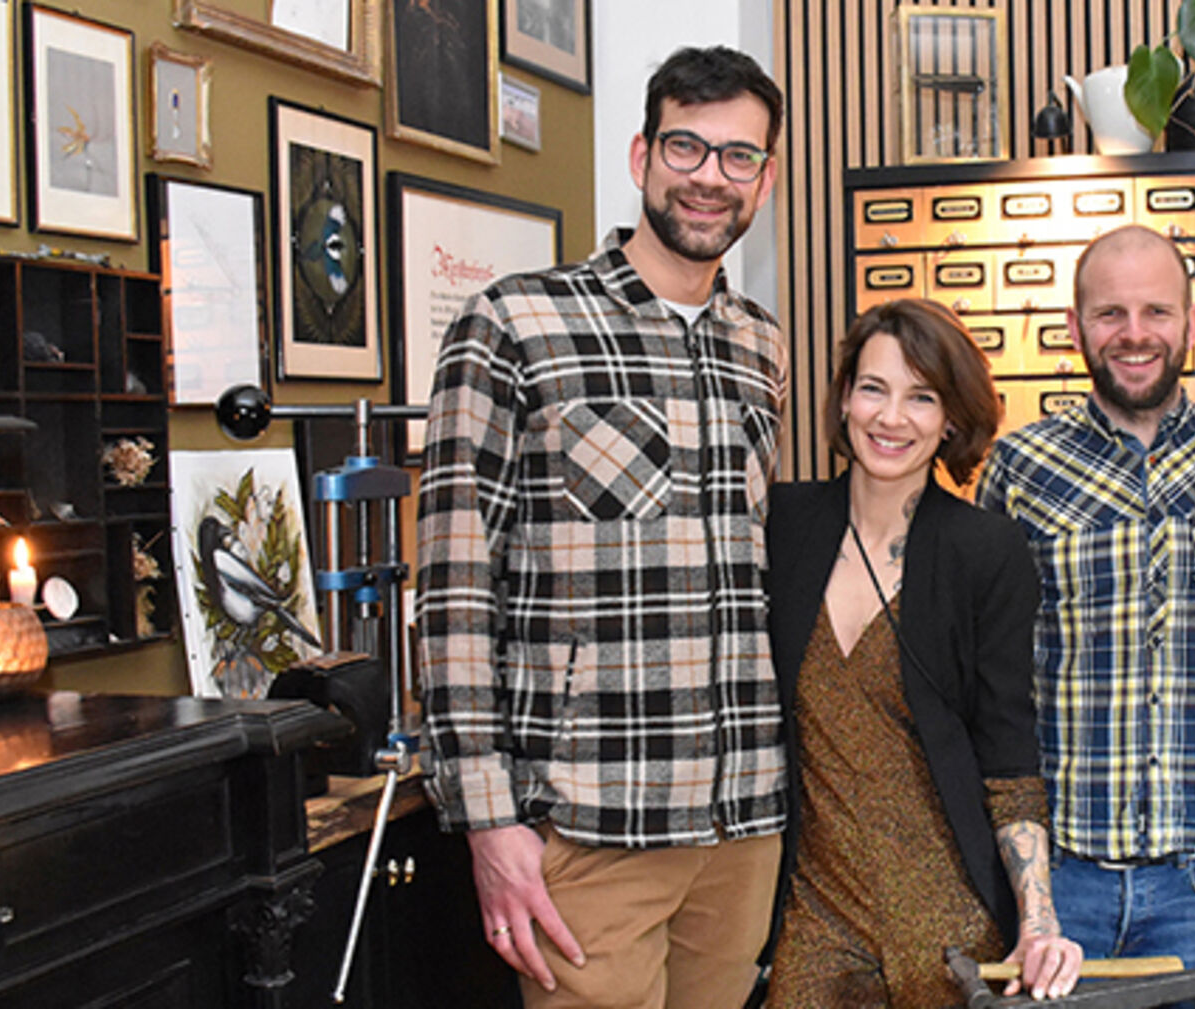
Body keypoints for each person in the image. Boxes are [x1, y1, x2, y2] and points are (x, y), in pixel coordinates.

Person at [416, 45, 788, 1009]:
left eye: (738, 156)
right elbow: (455, 589)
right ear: (641, 156)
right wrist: (487, 820)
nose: (709, 176)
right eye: (686, 146)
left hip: (742, 825)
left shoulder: (760, 346)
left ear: (765, 179)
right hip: (589, 823)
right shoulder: (514, 324)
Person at [976, 225, 1195, 982]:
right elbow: (986, 675)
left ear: (1192, 323)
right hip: (1060, 881)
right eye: (1110, 313)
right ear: (1075, 326)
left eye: (1157, 311)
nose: (1135, 333)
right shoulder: (1021, 464)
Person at [762, 298, 1084, 1006]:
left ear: (951, 420)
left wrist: (1038, 921)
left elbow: (1008, 748)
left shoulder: (985, 551)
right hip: (815, 916)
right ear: (844, 399)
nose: (891, 417)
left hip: (951, 925)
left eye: (921, 397)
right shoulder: (782, 526)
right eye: (873, 388)